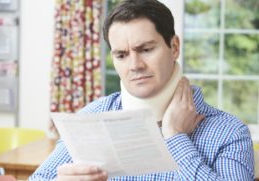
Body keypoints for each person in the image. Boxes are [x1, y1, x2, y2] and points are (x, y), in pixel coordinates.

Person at [29, 0, 255, 180]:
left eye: (146, 49)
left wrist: (176, 137)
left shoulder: (229, 133)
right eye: (121, 55)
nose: (134, 65)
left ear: (174, 47)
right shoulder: (92, 117)